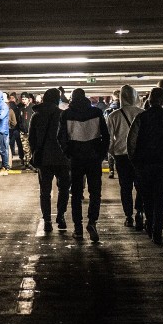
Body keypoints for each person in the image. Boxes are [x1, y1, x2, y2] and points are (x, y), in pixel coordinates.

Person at [128, 87, 163, 245]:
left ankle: (150, 225)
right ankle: (157, 230)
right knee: (160, 198)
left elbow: (131, 141)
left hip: (144, 164)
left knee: (147, 197)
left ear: (149, 101)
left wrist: (134, 160)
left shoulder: (141, 117)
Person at [57, 88, 109, 241]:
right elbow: (105, 136)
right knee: (95, 192)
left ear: (72, 98)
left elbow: (61, 137)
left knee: (76, 194)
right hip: (93, 158)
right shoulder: (96, 113)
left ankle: (78, 227)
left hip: (76, 159)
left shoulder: (66, 114)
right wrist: (101, 154)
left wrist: (68, 153)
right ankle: (92, 221)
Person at [28, 88, 70, 232]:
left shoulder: (36, 116)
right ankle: (61, 216)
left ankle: (47, 220)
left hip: (44, 158)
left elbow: (31, 138)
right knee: (64, 188)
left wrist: (35, 152)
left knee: (45, 191)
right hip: (62, 158)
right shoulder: (62, 115)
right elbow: (67, 136)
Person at [107, 85, 145, 230]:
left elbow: (109, 139)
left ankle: (128, 216)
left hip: (121, 156)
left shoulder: (113, 116)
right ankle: (139, 211)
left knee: (125, 187)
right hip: (139, 156)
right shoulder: (142, 113)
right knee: (140, 185)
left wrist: (113, 151)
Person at [104, 89, 120, 179]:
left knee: (111, 153)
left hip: (111, 134)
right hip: (122, 135)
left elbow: (106, 125)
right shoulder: (124, 108)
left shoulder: (109, 111)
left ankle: (111, 170)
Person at [18, 92, 35, 170]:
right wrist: (21, 128)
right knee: (25, 148)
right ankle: (27, 162)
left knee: (32, 147)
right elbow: (20, 120)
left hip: (31, 131)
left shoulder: (33, 108)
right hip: (23, 131)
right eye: (22, 99)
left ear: (29, 99)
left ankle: (33, 162)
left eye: (25, 99)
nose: (23, 100)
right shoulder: (21, 108)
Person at [7, 92, 23, 164]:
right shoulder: (18, 107)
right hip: (16, 128)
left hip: (12, 128)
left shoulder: (9, 108)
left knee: (11, 143)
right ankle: (21, 157)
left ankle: (11, 157)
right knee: (19, 144)